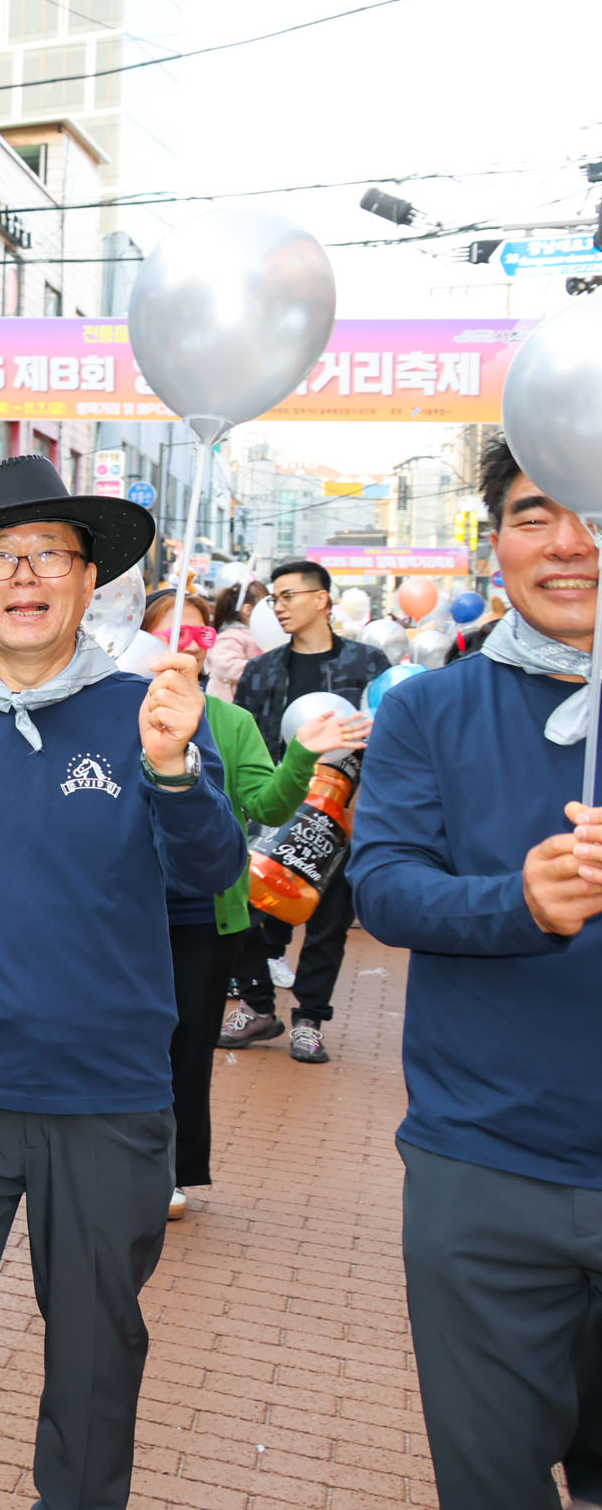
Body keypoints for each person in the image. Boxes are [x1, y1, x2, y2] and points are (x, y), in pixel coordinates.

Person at [0, 455, 241, 1510]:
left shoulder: (149, 710)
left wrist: (173, 769)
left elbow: (214, 877)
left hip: (107, 1102)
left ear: (86, 579)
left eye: (49, 555)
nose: (25, 575)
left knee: (94, 1362)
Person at [352, 436, 602, 1510]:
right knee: (491, 1481)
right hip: (484, 1164)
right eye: (539, 513)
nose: (572, 543)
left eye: (595, 512)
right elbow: (385, 887)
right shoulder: (427, 709)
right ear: (494, 539)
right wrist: (520, 899)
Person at [143, 590, 368, 1221]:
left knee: (187, 1048)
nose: (187, 646)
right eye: (172, 634)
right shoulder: (114, 714)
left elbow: (267, 807)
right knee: (121, 1042)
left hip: (205, 920)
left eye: (201, 637)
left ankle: (170, 1170)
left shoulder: (232, 721)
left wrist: (303, 754)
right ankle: (111, 1160)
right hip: (121, 915)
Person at [226, 559, 388, 1063]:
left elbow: (388, 739)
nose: (280, 606)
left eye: (289, 595)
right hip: (274, 809)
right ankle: (257, 1007)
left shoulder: (368, 665)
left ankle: (310, 1019)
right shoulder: (262, 668)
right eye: (275, 598)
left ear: (322, 599)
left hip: (340, 814)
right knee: (246, 908)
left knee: (329, 921)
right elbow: (247, 741)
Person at [203, 580, 265, 700]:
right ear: (248, 610)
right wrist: (265, 666)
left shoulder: (255, 635)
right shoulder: (231, 636)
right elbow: (226, 666)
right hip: (228, 705)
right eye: (266, 604)